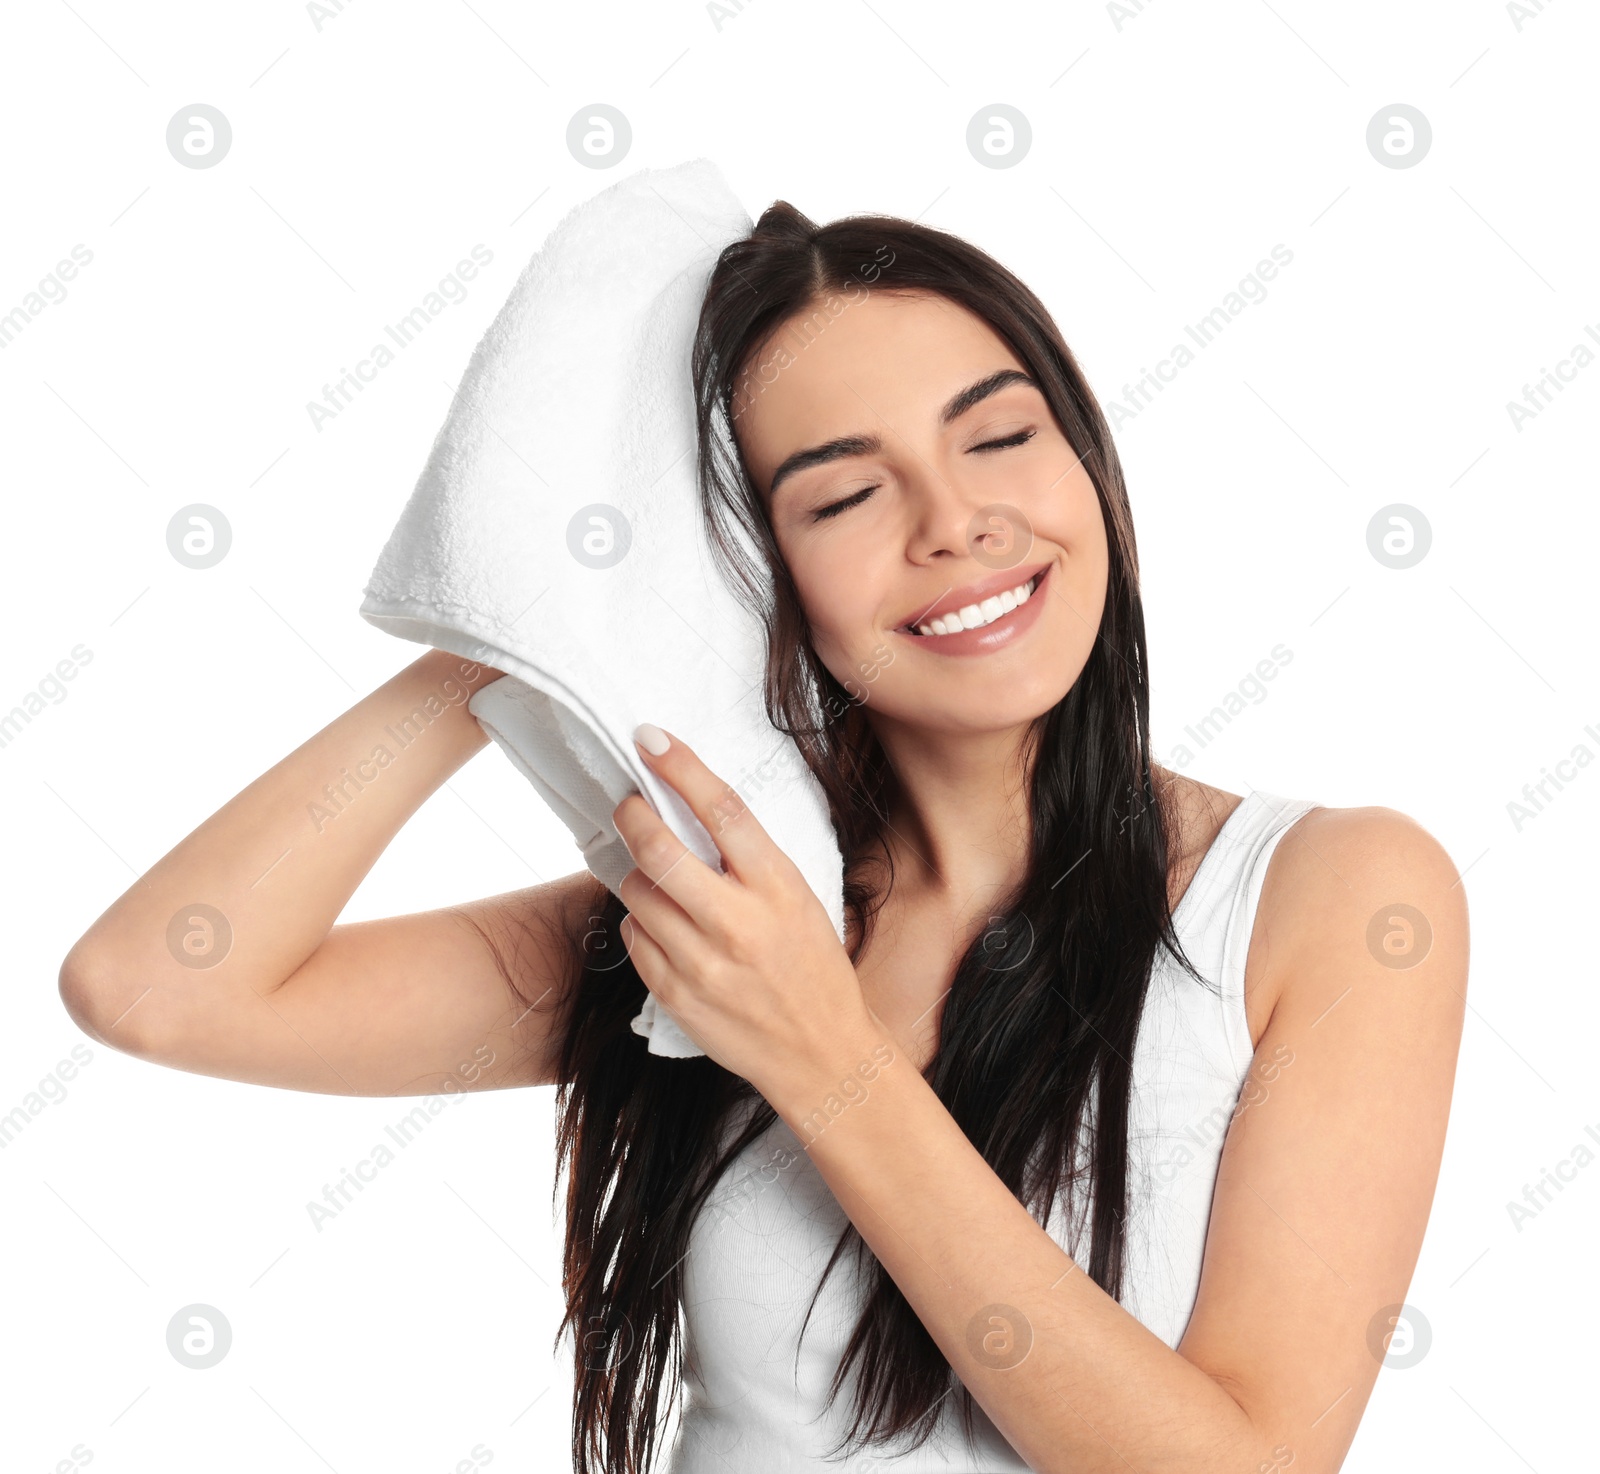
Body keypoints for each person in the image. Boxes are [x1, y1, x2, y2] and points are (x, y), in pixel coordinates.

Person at [59, 201, 1468, 1474]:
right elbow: (159, 983)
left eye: (998, 435)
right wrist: (522, 617)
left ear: (1084, 451)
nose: (957, 521)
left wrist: (825, 1056)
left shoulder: (1328, 896)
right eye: (846, 495)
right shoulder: (713, 923)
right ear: (751, 570)